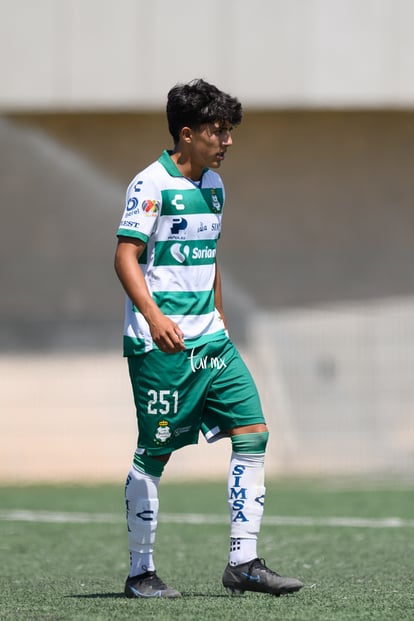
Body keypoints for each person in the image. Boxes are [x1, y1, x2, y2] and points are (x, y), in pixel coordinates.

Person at [114, 78, 303, 598]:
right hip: (161, 346)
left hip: (212, 343)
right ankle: (140, 573)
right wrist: (153, 317)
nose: (228, 141)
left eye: (230, 131)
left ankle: (243, 562)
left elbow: (208, 258)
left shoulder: (215, 189)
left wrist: (218, 318)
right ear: (188, 133)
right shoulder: (149, 184)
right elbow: (124, 256)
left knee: (253, 432)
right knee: (154, 454)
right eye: (219, 131)